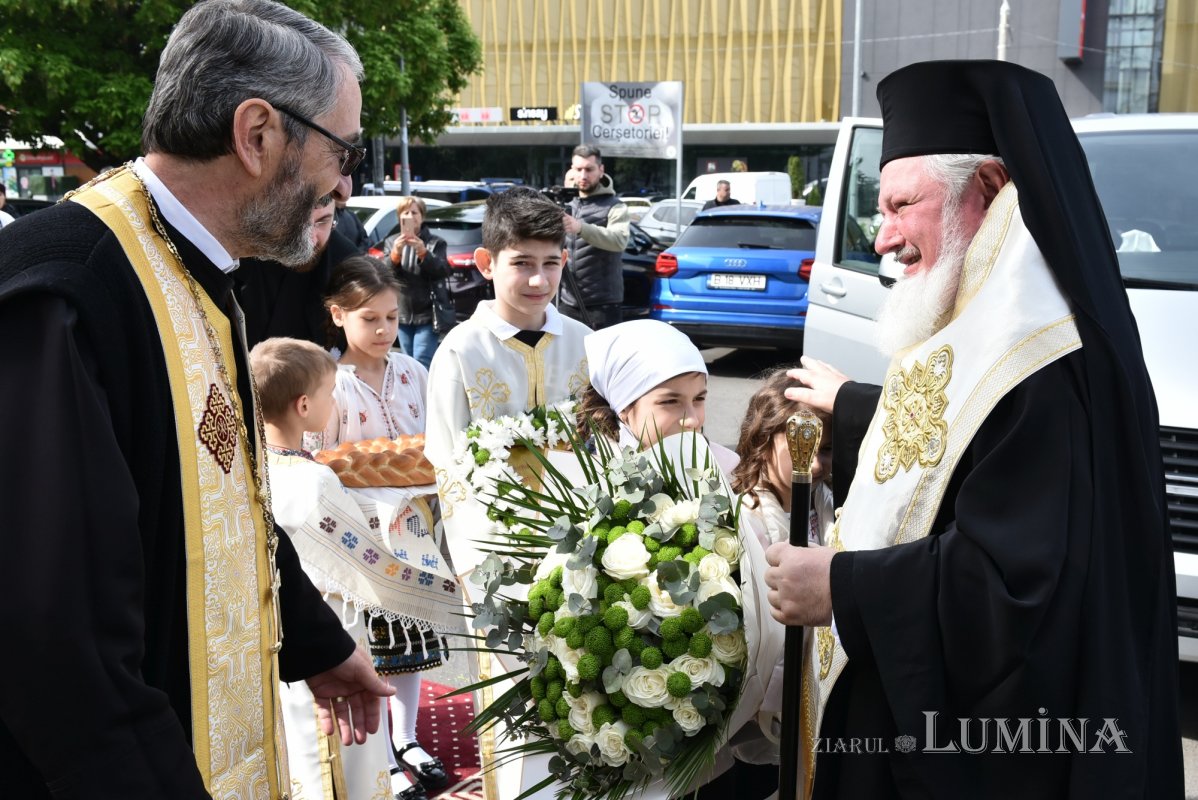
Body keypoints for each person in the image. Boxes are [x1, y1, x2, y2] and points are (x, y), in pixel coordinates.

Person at [0, 2, 396, 798]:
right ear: (258, 135)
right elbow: (54, 632)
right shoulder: (68, 289)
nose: (346, 183)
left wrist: (315, 642)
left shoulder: (196, 266)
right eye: (343, 149)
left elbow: (219, 502)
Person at [764, 60, 1181, 799]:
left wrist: (844, 588)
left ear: (986, 188)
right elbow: (960, 445)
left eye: (900, 206)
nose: (883, 239)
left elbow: (1016, 584)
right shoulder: (1001, 315)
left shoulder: (1041, 360)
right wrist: (856, 411)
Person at [303, 256, 452, 797]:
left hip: (417, 528)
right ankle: (379, 756)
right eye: (370, 319)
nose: (385, 330)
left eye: (392, 317)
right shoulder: (328, 382)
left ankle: (407, 736)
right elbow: (318, 461)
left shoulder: (414, 372)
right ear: (338, 315)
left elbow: (432, 443)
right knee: (367, 643)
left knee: (413, 636)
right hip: (358, 535)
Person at [252, 336, 422, 799]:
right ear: (305, 405)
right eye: (331, 394)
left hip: (281, 634)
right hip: (333, 626)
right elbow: (359, 560)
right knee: (343, 749)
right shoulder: (315, 478)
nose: (335, 402)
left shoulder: (252, 469)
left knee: (296, 741)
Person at [235, 197, 360, 349]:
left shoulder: (348, 264)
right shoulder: (240, 253)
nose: (311, 239)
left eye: (322, 222)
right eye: (297, 222)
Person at [732, 368, 834, 548]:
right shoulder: (745, 517)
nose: (816, 465)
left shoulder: (835, 504)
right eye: (801, 448)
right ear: (762, 442)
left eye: (826, 449)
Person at [559, 144, 630, 329]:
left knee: (601, 359)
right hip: (567, 303)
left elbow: (619, 240)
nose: (583, 176)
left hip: (602, 306)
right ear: (571, 170)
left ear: (601, 170)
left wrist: (581, 227)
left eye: (589, 169)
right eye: (578, 169)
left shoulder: (615, 206)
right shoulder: (565, 204)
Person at [380, 196, 452, 369]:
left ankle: (423, 396)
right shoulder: (392, 242)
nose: (410, 216)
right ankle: (411, 395)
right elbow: (383, 275)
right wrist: (395, 254)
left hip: (428, 312)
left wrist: (423, 252)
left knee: (421, 361)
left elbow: (443, 271)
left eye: (415, 212)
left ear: (422, 216)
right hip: (402, 312)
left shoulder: (435, 243)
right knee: (406, 361)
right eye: (406, 212)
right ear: (400, 217)